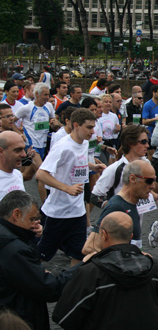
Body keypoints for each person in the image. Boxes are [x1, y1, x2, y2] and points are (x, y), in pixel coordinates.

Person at [52, 211, 158, 330]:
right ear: (131, 235)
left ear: (104, 234)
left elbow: (64, 316)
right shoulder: (154, 267)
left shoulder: (90, 274)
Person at [0, 191, 79, 330]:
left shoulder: (9, 239)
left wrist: (30, 235)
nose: (36, 223)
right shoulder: (15, 250)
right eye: (32, 219)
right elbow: (49, 288)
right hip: (19, 328)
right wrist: (83, 266)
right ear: (16, 214)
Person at [36, 109, 106, 266]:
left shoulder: (85, 143)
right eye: (88, 127)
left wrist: (93, 167)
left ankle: (70, 286)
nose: (92, 131)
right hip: (57, 213)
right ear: (76, 125)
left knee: (79, 253)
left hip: (77, 212)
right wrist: (67, 188)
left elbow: (77, 162)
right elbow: (41, 174)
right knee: (40, 254)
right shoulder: (63, 146)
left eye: (93, 127)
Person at [85, 160, 158, 251]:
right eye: (149, 181)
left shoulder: (131, 203)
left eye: (154, 180)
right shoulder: (116, 207)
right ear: (132, 179)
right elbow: (89, 247)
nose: (153, 186)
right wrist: (122, 262)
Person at [15, 83, 57, 159]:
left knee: (28, 171)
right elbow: (10, 121)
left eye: (48, 95)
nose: (47, 97)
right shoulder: (27, 108)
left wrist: (54, 123)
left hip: (43, 144)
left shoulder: (49, 106)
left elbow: (53, 121)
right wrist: (19, 133)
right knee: (40, 168)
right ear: (37, 94)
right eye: (45, 95)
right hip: (31, 144)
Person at [0, 131, 26, 199]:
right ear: (1, 151)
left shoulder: (18, 174)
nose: (24, 155)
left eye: (24, 149)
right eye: (18, 150)